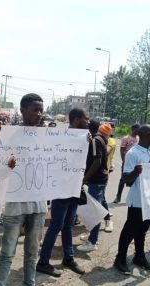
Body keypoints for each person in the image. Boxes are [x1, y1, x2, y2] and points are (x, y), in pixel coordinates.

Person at [0, 93, 47, 286]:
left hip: (39, 202)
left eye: (41, 110)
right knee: (7, 253)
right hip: (15, 201)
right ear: (23, 110)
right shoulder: (8, 134)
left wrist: (82, 142)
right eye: (35, 109)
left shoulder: (48, 136)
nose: (39, 114)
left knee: (33, 252)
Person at [36, 108, 89, 277]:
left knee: (68, 225)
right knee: (56, 225)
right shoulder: (61, 137)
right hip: (61, 188)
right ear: (76, 120)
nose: (88, 121)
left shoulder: (84, 138)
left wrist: (87, 142)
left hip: (74, 188)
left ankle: (68, 258)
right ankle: (43, 262)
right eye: (86, 119)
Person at [114, 124, 150, 275]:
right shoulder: (133, 153)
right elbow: (127, 180)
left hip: (148, 199)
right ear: (145, 135)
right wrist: (136, 171)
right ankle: (120, 259)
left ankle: (139, 256)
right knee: (130, 230)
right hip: (137, 200)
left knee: (143, 230)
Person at [77, 123, 111, 252]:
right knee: (95, 209)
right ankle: (92, 236)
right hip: (100, 179)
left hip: (96, 181)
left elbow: (97, 161)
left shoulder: (96, 140)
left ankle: (92, 241)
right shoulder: (101, 140)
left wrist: (85, 178)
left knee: (94, 211)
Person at [113, 124, 140, 203]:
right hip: (127, 162)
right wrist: (124, 160)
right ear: (133, 129)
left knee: (135, 180)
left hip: (136, 162)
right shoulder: (126, 138)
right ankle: (118, 197)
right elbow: (122, 150)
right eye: (138, 129)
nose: (139, 131)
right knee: (123, 179)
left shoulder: (139, 139)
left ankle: (132, 197)